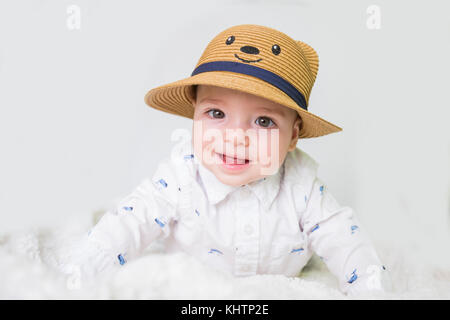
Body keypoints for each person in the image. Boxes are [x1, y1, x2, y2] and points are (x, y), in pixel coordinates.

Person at [60, 24, 392, 296]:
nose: (234, 137)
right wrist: (80, 274)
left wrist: (369, 286)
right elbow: (129, 223)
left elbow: (346, 241)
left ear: (293, 137)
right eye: (216, 113)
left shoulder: (302, 186)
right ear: (193, 116)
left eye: (264, 121)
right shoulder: (181, 174)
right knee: (120, 215)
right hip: (192, 293)